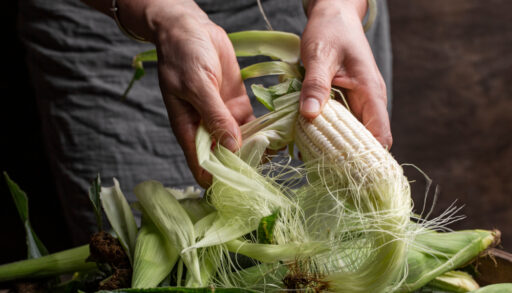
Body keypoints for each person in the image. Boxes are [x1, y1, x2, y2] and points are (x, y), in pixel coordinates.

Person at [18, 0, 392, 243]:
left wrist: (339, 9)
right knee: (150, 247)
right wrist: (162, 13)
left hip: (308, 16)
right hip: (107, 24)